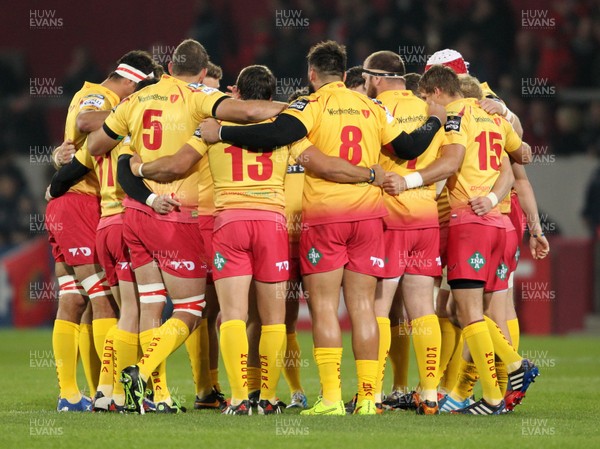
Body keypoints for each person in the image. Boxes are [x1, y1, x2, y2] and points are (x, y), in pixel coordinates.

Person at [199, 40, 446, 415]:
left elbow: (272, 136)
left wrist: (224, 134)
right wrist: (435, 120)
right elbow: (409, 148)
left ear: (312, 75)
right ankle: (367, 399)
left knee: (325, 309)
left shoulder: (310, 106)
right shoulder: (371, 106)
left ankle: (330, 398)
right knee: (364, 307)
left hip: (326, 218)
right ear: (347, 75)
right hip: (369, 217)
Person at [86, 39, 289, 414]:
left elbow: (97, 144)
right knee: (194, 308)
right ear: (200, 74)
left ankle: (145, 394)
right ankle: (152, 375)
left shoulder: (134, 101)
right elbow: (245, 115)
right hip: (179, 214)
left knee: (146, 306)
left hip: (134, 211)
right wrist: (297, 107)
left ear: (166, 66)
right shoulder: (198, 100)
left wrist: (129, 153)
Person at [393, 64, 535, 414]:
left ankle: (501, 382)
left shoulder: (454, 117)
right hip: (499, 224)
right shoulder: (492, 114)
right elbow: (523, 156)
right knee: (470, 310)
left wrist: (411, 181)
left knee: (469, 313)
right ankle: (492, 383)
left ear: (437, 92)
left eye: (426, 98)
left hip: (467, 222)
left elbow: (451, 162)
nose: (427, 106)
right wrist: (503, 111)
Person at [48, 50, 156, 412]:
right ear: (129, 82)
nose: (136, 100)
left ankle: (71, 394)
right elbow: (84, 121)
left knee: (73, 297)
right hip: (80, 202)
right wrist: (133, 110)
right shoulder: (104, 96)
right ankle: (105, 392)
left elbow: (75, 143)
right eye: (138, 92)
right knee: (102, 298)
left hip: (69, 201)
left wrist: (58, 157)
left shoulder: (99, 93)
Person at [361, 50, 446, 414]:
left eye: (365, 77)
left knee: (380, 306)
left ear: (376, 78)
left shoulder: (374, 110)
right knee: (422, 309)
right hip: (427, 215)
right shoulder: (430, 108)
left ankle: (374, 394)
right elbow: (444, 164)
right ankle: (428, 395)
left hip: (389, 216)